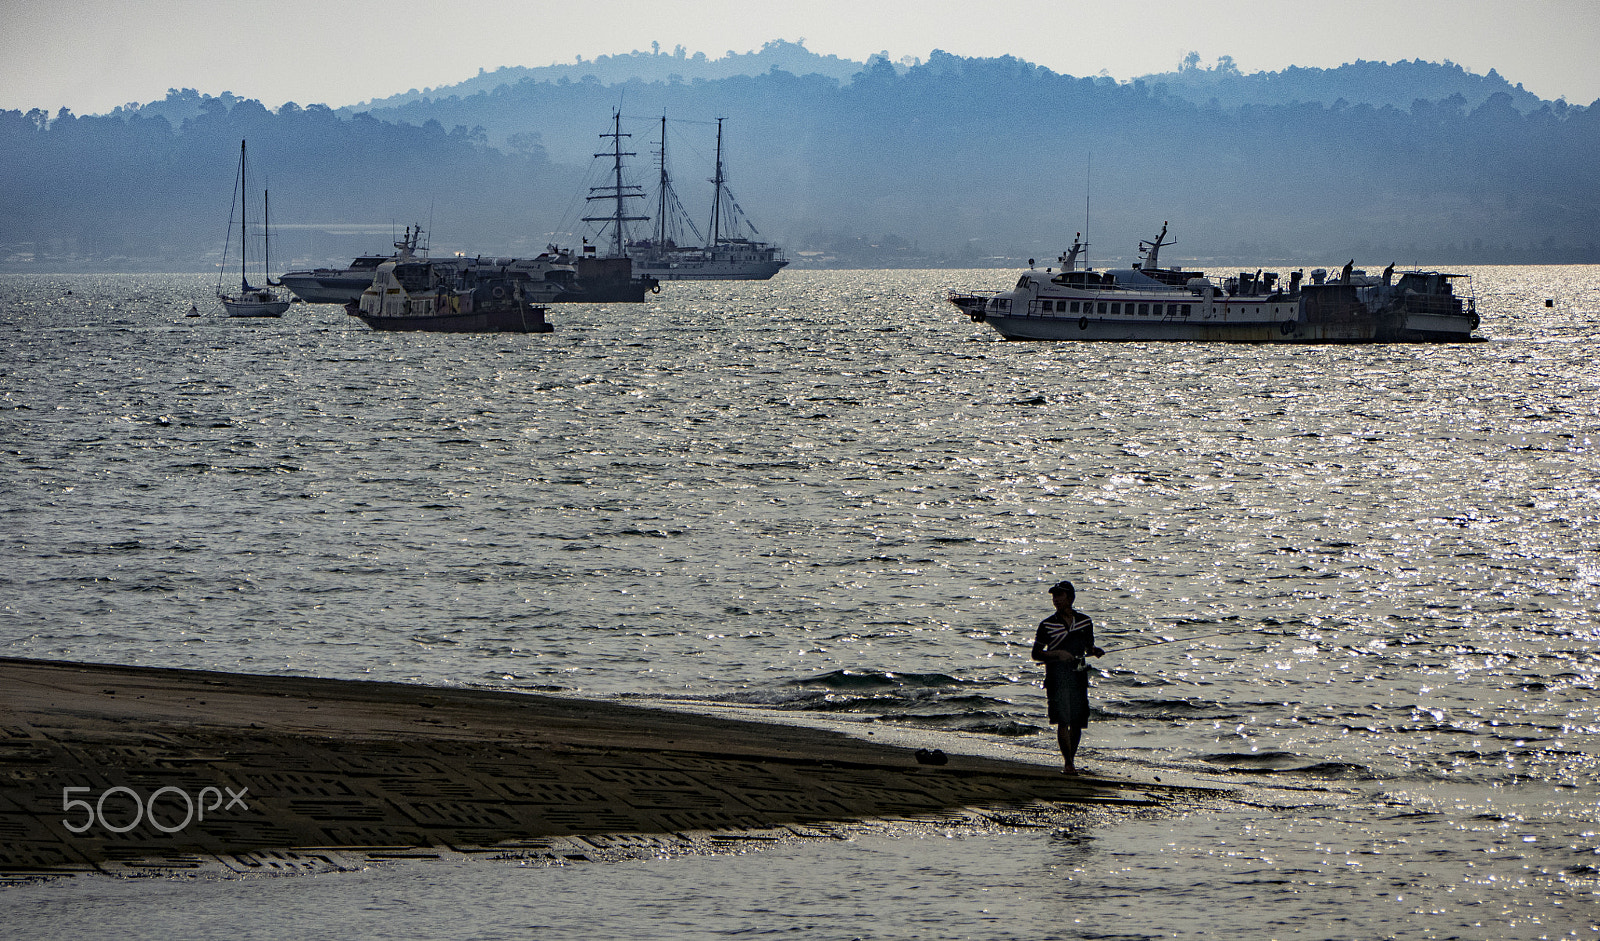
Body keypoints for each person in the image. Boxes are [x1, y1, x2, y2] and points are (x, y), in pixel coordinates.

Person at [1031, 580, 1104, 774]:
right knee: (1063, 720)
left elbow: (1088, 647)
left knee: (1077, 722)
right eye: (1054, 596)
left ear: (1070, 598)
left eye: (1060, 595)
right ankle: (1068, 763)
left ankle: (1071, 759)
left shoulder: (1085, 622)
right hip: (1056, 677)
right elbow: (1036, 654)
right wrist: (1057, 654)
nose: (1056, 600)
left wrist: (1095, 651)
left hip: (1079, 676)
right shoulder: (1046, 624)